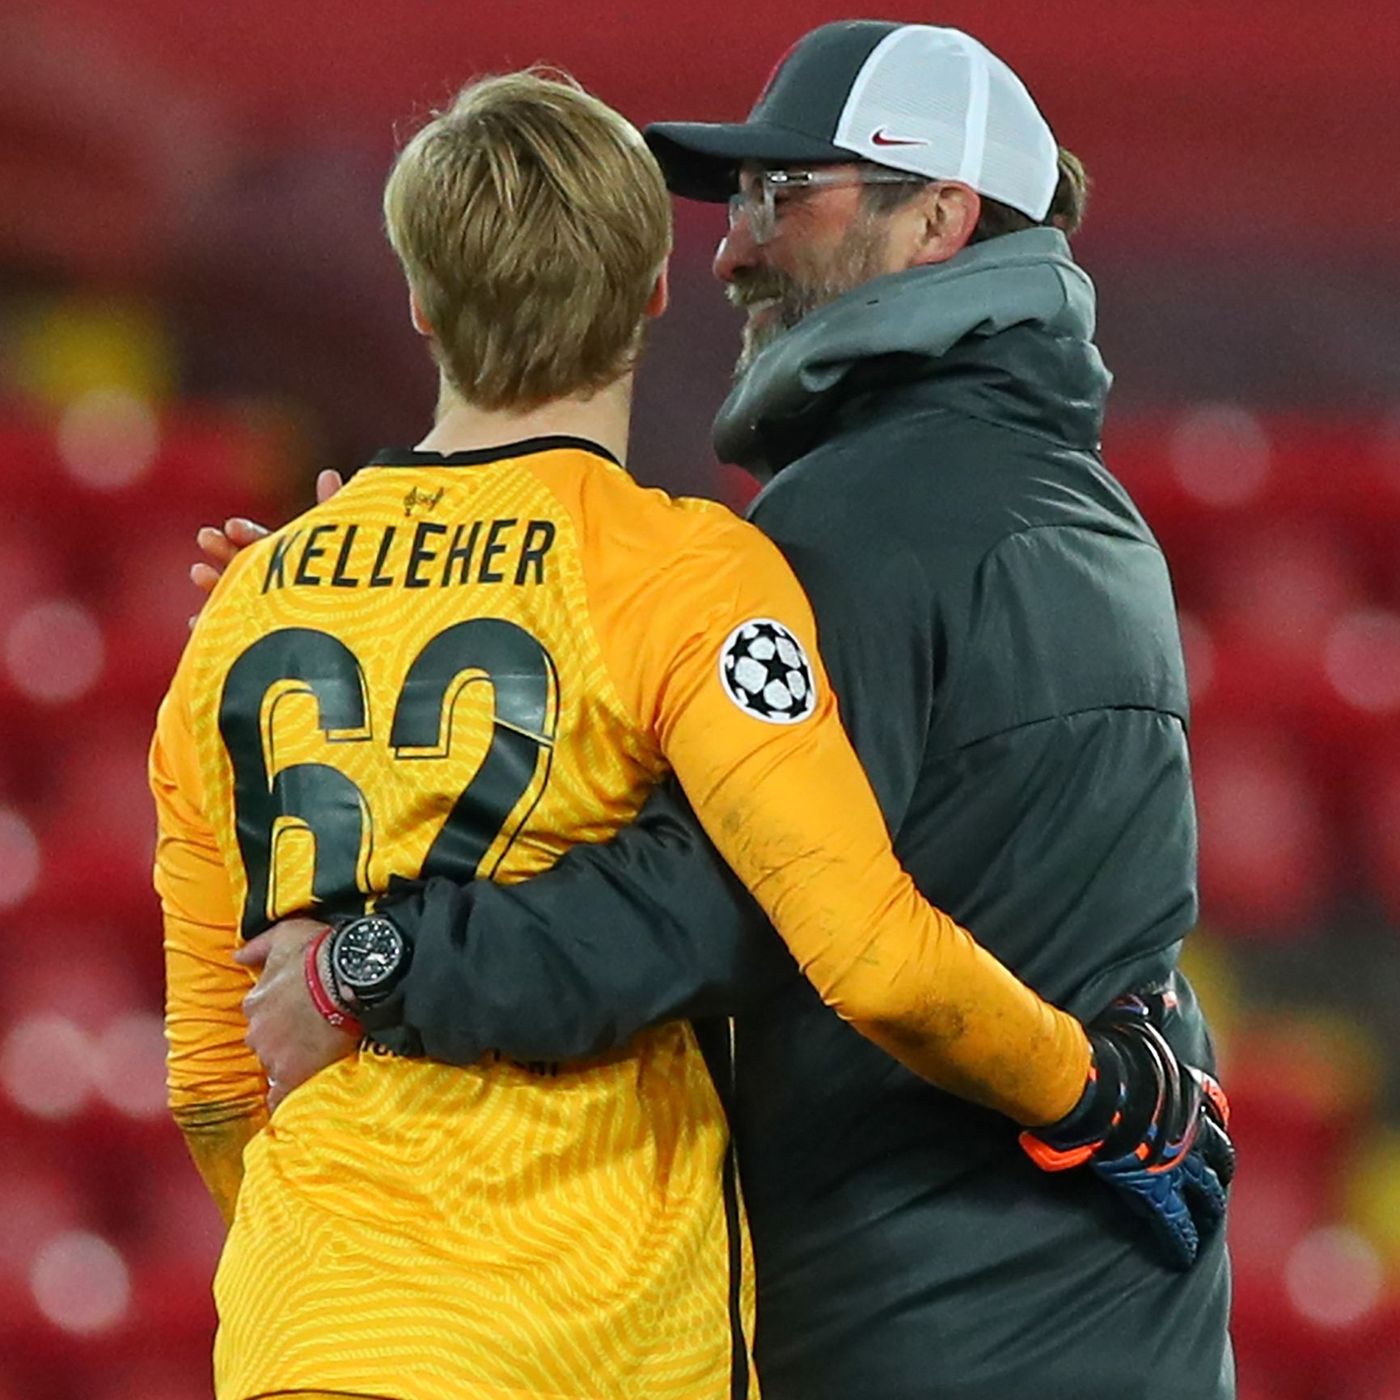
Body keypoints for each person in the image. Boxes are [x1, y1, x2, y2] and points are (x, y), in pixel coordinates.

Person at [157, 61, 1226, 1400]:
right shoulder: (1064, 519)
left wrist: (355, 984)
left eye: (786, 192)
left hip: (334, 1321)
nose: (735, 241)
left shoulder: (841, 532)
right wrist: (1110, 1096)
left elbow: (214, 1071)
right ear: (643, 293)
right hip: (624, 1321)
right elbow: (863, 939)